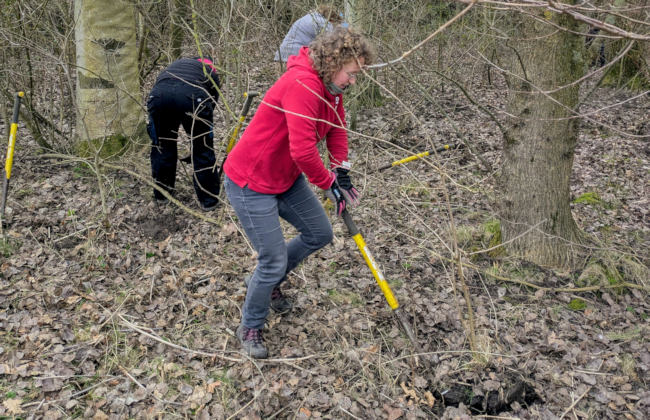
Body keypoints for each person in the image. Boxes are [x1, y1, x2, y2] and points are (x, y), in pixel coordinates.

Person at [223, 27, 375, 358]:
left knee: (319, 233)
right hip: (250, 181)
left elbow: (336, 129)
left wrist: (342, 171)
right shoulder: (302, 85)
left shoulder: (330, 90)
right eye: (352, 73)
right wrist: (328, 182)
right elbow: (304, 152)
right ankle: (250, 324)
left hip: (285, 178)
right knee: (272, 259)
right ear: (335, 61)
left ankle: (269, 284)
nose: (353, 80)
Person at [146, 56, 221, 211]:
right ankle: (209, 201)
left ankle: (162, 195)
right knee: (203, 148)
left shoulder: (175, 66)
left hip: (159, 96)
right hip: (193, 97)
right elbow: (211, 103)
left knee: (162, 146)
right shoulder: (210, 72)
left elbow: (164, 87)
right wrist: (197, 136)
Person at [274, 4, 344, 62]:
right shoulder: (323, 23)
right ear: (332, 18)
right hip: (293, 58)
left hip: (280, 55)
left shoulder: (310, 17)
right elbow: (332, 42)